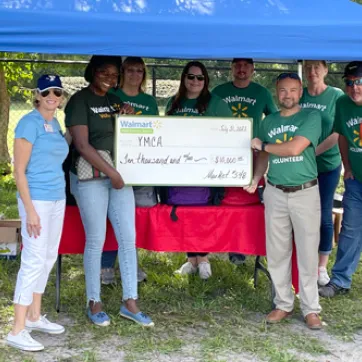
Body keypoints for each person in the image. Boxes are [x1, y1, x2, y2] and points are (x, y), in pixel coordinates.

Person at [65, 55, 153, 327]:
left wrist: (127, 117)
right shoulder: (80, 100)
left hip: (118, 174)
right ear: (92, 72)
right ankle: (94, 302)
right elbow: (81, 144)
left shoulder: (114, 101)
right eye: (104, 72)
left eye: (114, 75)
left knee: (128, 237)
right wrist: (113, 173)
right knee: (97, 239)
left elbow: (130, 134)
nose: (110, 78)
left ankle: (130, 302)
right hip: (91, 175)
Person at [245, 72, 323, 330]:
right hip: (275, 191)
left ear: (300, 92)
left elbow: (294, 148)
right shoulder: (269, 122)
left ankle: (311, 308)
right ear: (276, 93)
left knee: (308, 252)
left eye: (292, 90)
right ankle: (283, 304)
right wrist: (256, 177)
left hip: (305, 192)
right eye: (282, 90)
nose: (287, 95)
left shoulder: (311, 117)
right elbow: (263, 158)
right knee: (277, 252)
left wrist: (263, 145)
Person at [6, 75, 69, 351]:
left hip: (57, 197)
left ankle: (34, 316)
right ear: (37, 95)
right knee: (33, 259)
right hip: (37, 200)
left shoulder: (55, 123)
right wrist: (30, 211)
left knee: (48, 256)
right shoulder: (27, 123)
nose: (52, 96)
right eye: (47, 92)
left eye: (57, 91)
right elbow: (18, 171)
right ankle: (16, 329)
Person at [167, 60, 232, 279]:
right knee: (184, 214)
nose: (195, 81)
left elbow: (230, 133)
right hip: (178, 171)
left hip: (205, 172)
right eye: (190, 76)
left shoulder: (217, 104)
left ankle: (203, 259)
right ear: (183, 78)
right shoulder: (172, 103)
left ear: (206, 81)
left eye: (200, 77)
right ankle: (190, 260)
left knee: (202, 215)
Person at [213, 58, 278, 265]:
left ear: (253, 69)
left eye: (246, 66)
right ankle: (228, 243)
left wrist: (265, 141)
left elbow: (275, 117)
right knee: (227, 201)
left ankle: (245, 245)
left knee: (248, 202)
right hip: (225, 154)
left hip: (253, 154)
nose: (242, 70)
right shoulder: (219, 92)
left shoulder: (262, 92)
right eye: (237, 65)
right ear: (231, 68)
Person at [101, 56, 159, 285]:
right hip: (114, 166)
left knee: (133, 219)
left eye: (140, 71)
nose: (135, 75)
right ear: (123, 72)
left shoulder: (149, 101)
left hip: (141, 166)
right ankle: (106, 266)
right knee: (111, 216)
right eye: (130, 70)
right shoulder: (111, 97)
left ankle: (131, 265)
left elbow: (156, 132)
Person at [319, 61, 362, 298]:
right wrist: (347, 167)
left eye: (359, 82)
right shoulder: (343, 103)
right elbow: (343, 136)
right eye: (350, 83)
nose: (354, 88)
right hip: (356, 181)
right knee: (350, 230)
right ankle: (339, 281)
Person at [300, 60, 344, 286]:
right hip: (302, 168)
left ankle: (320, 267)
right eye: (308, 67)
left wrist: (312, 152)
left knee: (324, 215)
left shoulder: (336, 96)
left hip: (328, 165)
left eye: (317, 67)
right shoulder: (299, 94)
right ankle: (302, 263)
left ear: (326, 69)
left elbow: (339, 131)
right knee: (302, 215)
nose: (312, 71)